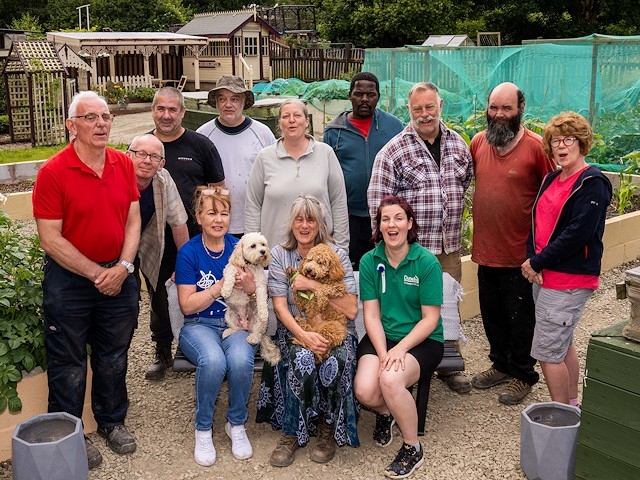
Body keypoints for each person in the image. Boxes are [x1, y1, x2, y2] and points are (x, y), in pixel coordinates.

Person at [32, 91, 140, 469]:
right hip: (70, 282)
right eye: (91, 118)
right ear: (71, 125)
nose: (101, 124)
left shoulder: (123, 164)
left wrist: (124, 267)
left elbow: (133, 219)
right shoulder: (52, 172)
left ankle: (112, 421)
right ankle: (69, 432)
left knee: (114, 355)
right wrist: (97, 274)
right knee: (69, 361)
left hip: (118, 274)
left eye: (106, 117)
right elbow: (50, 238)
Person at [367, 81, 473, 394]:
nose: (424, 115)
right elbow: (378, 204)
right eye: (417, 109)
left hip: (448, 247)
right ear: (409, 111)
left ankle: (446, 364)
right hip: (411, 254)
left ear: (440, 106)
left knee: (446, 308)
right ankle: (405, 364)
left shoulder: (457, 145)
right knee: (410, 310)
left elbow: (463, 184)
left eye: (430, 107)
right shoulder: (393, 151)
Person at [256, 195, 359, 467]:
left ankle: (326, 429)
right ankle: (291, 432)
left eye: (310, 219)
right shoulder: (280, 254)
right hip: (295, 329)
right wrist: (303, 336)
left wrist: (312, 286)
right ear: (292, 223)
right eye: (299, 219)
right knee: (301, 359)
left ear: (319, 223)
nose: (304, 225)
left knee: (336, 360)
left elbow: (351, 310)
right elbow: (280, 307)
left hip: (335, 328)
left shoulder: (337, 255)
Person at [470, 82, 557, 405]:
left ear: (521, 108)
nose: (499, 114)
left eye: (506, 108)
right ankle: (500, 365)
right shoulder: (479, 142)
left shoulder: (536, 148)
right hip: (485, 251)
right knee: (492, 315)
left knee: (521, 320)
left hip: (521, 256)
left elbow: (553, 199)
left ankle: (523, 373)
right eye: (494, 108)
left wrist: (542, 254)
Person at [521, 112, 611, 405]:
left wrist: (537, 262)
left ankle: (559, 418)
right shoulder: (551, 179)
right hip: (545, 276)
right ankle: (572, 405)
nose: (561, 146)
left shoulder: (592, 183)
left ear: (582, 143)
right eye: (555, 140)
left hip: (568, 281)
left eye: (568, 139)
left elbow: (577, 234)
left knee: (547, 354)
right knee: (562, 344)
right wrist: (533, 259)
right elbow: (536, 223)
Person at [355, 195, 444, 479]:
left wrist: (400, 350)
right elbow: (371, 315)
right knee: (365, 390)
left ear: (409, 223)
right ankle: (386, 413)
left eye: (398, 218)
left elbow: (431, 319)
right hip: (383, 336)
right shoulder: (371, 261)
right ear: (379, 227)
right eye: (385, 219)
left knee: (391, 379)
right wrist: (384, 354)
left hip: (421, 341)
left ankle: (412, 447)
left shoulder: (426, 262)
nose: (391, 224)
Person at [145, 87, 225, 380]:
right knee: (158, 294)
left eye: (173, 110)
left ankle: (204, 343)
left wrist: (212, 228)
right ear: (153, 110)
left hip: (195, 240)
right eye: (160, 109)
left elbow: (218, 190)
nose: (166, 115)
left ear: (182, 112)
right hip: (154, 239)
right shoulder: (144, 146)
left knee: (202, 291)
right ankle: (162, 349)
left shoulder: (200, 145)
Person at [175, 186, 258, 466]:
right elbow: (187, 305)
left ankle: (235, 424)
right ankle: (203, 427)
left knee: (239, 358)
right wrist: (218, 288)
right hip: (199, 324)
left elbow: (256, 292)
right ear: (198, 217)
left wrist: (250, 288)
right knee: (212, 361)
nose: (218, 219)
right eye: (211, 213)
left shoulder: (240, 247)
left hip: (235, 321)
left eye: (224, 213)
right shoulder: (188, 252)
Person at [245, 99, 349, 252]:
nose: (291, 120)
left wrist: (340, 249)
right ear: (279, 123)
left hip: (319, 254)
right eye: (286, 116)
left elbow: (338, 202)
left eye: (297, 115)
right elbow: (253, 205)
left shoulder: (325, 153)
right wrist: (252, 250)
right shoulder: (265, 157)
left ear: (307, 121)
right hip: (275, 254)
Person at [323, 72, 403, 269]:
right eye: (359, 94)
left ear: (378, 97)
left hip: (386, 215)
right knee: (352, 269)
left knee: (388, 267)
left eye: (371, 94)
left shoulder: (394, 126)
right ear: (350, 96)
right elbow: (325, 175)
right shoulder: (334, 131)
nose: (365, 99)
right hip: (349, 217)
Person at [197, 75, 276, 237]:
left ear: (243, 102)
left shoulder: (262, 133)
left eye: (234, 99)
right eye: (222, 99)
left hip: (254, 222)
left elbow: (275, 176)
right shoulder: (203, 135)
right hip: (215, 225)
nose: (228, 104)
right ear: (216, 103)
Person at [127, 133, 189, 301]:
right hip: (113, 246)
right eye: (141, 154)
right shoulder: (114, 177)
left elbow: (178, 222)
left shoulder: (163, 179)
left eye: (154, 157)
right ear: (128, 155)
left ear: (161, 164)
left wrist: (186, 265)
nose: (147, 161)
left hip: (146, 239)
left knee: (161, 295)